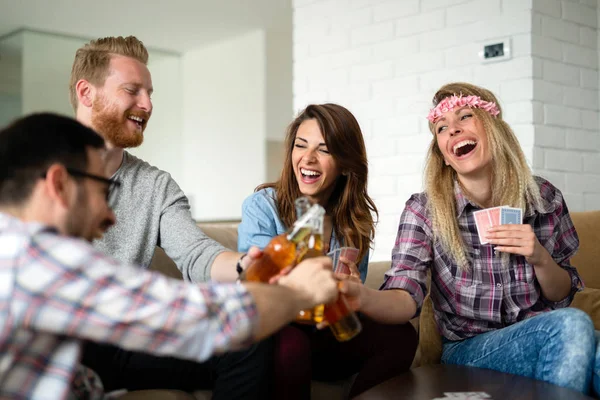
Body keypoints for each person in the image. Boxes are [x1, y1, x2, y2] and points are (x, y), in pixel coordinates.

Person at [0, 113, 340, 399]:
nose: (110, 215)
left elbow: (196, 254)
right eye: (103, 192)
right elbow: (206, 318)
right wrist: (298, 292)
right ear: (59, 185)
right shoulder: (39, 258)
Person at [340, 82, 600, 395]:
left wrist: (539, 257)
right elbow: (405, 293)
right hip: (470, 351)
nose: (453, 130)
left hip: (546, 332)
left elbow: (562, 293)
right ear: (444, 156)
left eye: (465, 117)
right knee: (572, 325)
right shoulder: (424, 210)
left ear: (494, 129)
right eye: (441, 127)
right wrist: (362, 297)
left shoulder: (544, 197)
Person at [68, 35, 270, 397]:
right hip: (60, 336)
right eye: (132, 90)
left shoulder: (155, 185)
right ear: (87, 93)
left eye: (150, 93)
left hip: (130, 341)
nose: (146, 104)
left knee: (247, 340)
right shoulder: (34, 171)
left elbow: (196, 254)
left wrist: (250, 263)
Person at [237, 103, 418, 398]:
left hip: (325, 331)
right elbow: (257, 283)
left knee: (401, 337)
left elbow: (348, 296)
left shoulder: (354, 221)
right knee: (291, 344)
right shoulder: (263, 205)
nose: (308, 158)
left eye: (324, 149)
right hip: (279, 325)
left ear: (346, 163)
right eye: (300, 146)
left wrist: (351, 291)